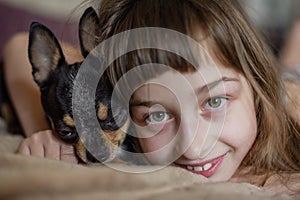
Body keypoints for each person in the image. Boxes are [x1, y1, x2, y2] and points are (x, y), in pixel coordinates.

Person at [1, 0, 299, 195]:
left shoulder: (282, 95)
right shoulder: (106, 78)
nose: (193, 149)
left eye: (215, 101)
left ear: (259, 84)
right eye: (155, 115)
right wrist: (52, 136)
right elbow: (17, 47)